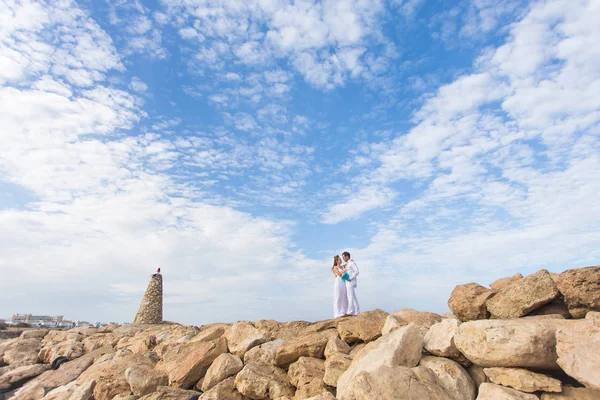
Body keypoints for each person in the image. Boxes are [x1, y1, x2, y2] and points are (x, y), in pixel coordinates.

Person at [341, 251, 360, 316]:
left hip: (350, 282)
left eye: (343, 257)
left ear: (347, 256)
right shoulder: (348, 264)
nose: (343, 259)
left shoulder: (351, 263)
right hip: (347, 282)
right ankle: (357, 312)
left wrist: (350, 278)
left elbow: (357, 271)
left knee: (350, 297)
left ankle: (350, 312)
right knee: (353, 297)